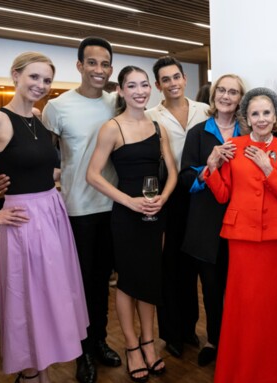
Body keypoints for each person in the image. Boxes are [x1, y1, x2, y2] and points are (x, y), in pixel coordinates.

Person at [0, 51, 88, 383]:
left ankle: (42, 372)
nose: (40, 85)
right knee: (30, 299)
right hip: (24, 218)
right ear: (15, 76)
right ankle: (30, 375)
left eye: (47, 80)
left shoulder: (37, 117)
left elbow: (37, 167)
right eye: (34, 77)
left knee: (52, 296)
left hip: (52, 212)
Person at [0, 37, 121, 383]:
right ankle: (81, 354)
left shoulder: (117, 102)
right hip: (75, 207)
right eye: (92, 62)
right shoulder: (56, 108)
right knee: (75, 286)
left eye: (105, 63)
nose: (99, 69)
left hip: (114, 205)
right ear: (79, 66)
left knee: (100, 281)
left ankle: (99, 342)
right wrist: (1, 176)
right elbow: (36, 155)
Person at [204, 87, 277, 383]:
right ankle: (245, 364)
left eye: (267, 113)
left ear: (276, 116)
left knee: (276, 304)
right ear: (246, 117)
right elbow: (223, 195)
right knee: (246, 304)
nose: (261, 119)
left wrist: (268, 169)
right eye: (255, 113)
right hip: (242, 239)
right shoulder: (232, 145)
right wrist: (211, 169)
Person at [87, 65, 177, 382]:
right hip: (126, 216)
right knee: (128, 281)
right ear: (121, 91)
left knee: (150, 279)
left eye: (143, 85)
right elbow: (92, 175)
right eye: (131, 86)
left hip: (155, 214)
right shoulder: (112, 128)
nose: (139, 91)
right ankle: (131, 346)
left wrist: (163, 198)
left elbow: (173, 171)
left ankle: (149, 343)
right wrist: (129, 201)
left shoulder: (157, 126)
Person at [179, 74, 245, 366]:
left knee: (242, 286)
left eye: (233, 92)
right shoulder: (197, 133)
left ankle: (240, 339)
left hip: (242, 220)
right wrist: (210, 165)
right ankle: (213, 339)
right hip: (206, 222)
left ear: (241, 99)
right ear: (213, 94)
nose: (226, 96)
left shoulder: (250, 130)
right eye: (222, 90)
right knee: (212, 286)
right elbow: (185, 179)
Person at [146, 55, 209, 358]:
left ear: (185, 79)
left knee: (193, 264)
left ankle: (189, 329)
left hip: (201, 195)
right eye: (165, 79)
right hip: (170, 196)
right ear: (158, 85)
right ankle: (171, 333)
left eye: (176, 77)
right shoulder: (149, 115)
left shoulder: (204, 110)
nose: (172, 83)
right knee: (170, 265)